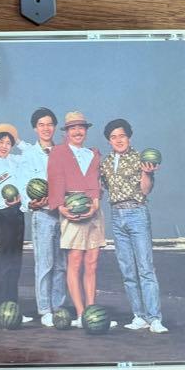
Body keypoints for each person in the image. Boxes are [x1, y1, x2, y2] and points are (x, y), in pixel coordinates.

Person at [101, 118, 168, 334]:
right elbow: (100, 187)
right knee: (127, 270)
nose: (118, 140)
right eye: (113, 137)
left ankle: (154, 318)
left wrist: (147, 173)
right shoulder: (105, 163)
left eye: (122, 135)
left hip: (137, 213)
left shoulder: (142, 159)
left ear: (129, 137)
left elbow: (145, 190)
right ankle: (139, 316)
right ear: (109, 141)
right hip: (116, 215)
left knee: (145, 269)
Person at [47, 111, 106, 328]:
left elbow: (96, 183)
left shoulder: (93, 154)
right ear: (67, 132)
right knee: (75, 262)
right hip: (71, 208)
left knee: (92, 263)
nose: (78, 131)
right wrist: (61, 207)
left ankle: (91, 312)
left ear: (86, 131)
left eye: (81, 128)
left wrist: (95, 204)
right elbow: (55, 180)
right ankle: (81, 315)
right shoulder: (58, 152)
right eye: (73, 128)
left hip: (94, 210)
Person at [18, 107, 68, 327]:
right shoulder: (28, 154)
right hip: (43, 215)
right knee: (45, 264)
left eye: (49, 124)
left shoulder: (63, 151)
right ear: (34, 128)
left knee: (61, 265)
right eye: (41, 125)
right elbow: (22, 184)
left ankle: (59, 307)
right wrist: (30, 203)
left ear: (54, 127)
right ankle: (45, 309)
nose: (46, 128)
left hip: (64, 215)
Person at [0, 123, 32, 322]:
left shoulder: (15, 160)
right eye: (0, 142)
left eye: (8, 143)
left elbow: (32, 154)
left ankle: (12, 307)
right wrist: (5, 202)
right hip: (2, 215)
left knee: (15, 262)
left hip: (18, 213)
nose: (4, 146)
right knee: (4, 262)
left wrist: (18, 141)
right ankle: (0, 308)